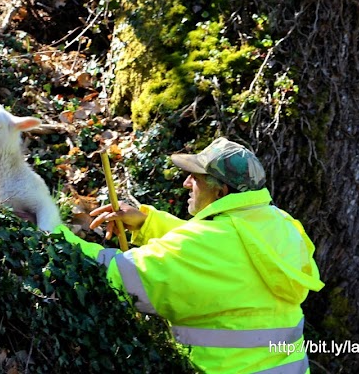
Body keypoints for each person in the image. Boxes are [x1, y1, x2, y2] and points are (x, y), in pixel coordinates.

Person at [54, 137, 324, 374]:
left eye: (194, 177)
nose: (185, 183)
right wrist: (147, 223)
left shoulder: (205, 246)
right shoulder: (281, 224)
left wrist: (51, 233)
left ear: (221, 192)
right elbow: (230, 249)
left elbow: (118, 274)